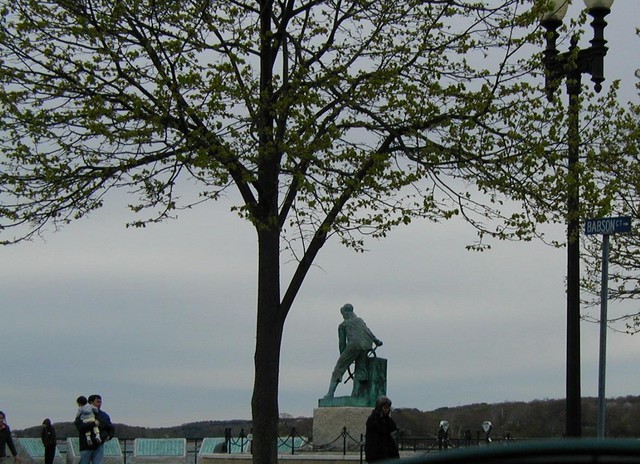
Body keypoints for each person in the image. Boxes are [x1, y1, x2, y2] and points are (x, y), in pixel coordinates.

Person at [324, 303, 383, 398]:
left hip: (354, 346)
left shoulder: (343, 325)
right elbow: (368, 331)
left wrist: (343, 357)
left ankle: (330, 393)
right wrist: (376, 341)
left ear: (344, 313)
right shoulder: (360, 321)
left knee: (338, 369)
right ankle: (356, 394)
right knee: (361, 369)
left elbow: (342, 343)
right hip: (366, 346)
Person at [74, 395, 115, 464]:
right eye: (97, 402)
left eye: (100, 402)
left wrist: (109, 436)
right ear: (91, 402)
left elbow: (110, 427)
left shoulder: (104, 415)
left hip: (99, 445)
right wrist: (93, 424)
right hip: (86, 445)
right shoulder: (82, 414)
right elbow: (80, 427)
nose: (100, 404)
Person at [364, 396, 399, 463]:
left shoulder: (387, 419)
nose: (387, 410)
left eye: (388, 408)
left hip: (386, 449)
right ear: (380, 407)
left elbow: (393, 428)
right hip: (375, 450)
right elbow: (379, 430)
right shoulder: (372, 418)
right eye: (385, 408)